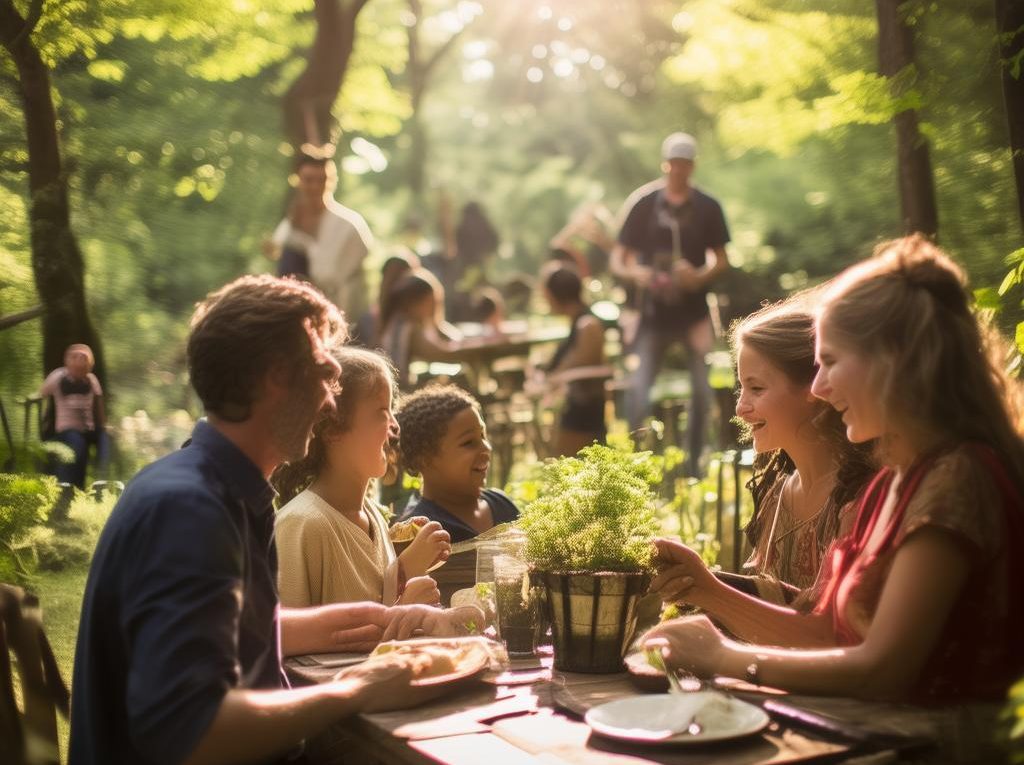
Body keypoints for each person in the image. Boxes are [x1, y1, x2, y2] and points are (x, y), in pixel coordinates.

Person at [69, 275, 479, 765]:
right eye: (325, 372)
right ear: (276, 377)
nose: (331, 401)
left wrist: (370, 620)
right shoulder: (189, 510)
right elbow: (192, 732)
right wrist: (356, 691)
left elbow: (228, 626)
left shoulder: (216, 486)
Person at [644, 236, 1024, 707]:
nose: (819, 388)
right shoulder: (897, 480)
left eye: (831, 363)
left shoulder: (957, 479)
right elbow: (827, 633)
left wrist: (722, 656)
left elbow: (884, 672)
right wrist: (707, 591)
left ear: (892, 363)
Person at [650, 298, 876, 643]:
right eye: (741, 387)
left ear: (816, 388)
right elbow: (764, 614)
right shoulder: (776, 493)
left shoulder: (861, 500)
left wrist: (710, 590)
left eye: (756, 388)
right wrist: (689, 585)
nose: (740, 407)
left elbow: (831, 636)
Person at [272, 346, 451, 608]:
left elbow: (374, 602)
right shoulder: (301, 525)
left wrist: (402, 568)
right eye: (382, 412)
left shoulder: (373, 518)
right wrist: (408, 574)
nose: (395, 425)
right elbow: (285, 640)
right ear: (333, 428)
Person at [612, 132, 731, 475]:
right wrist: (640, 275)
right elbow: (620, 260)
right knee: (639, 389)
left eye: (685, 165)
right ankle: (637, 468)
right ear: (666, 165)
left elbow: (721, 260)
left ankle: (695, 466)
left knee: (701, 390)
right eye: (674, 164)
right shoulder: (644, 204)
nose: (679, 171)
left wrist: (698, 276)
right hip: (652, 315)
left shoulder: (708, 207)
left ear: (692, 166)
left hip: (693, 313)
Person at [396, 384, 520, 543]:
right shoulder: (421, 530)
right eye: (468, 442)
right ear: (425, 459)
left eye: (483, 435)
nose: (486, 447)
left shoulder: (502, 505)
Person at [268, 150, 373, 328]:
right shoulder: (289, 226)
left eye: (321, 180)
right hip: (295, 315)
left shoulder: (349, 225)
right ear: (298, 181)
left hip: (340, 316)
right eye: (309, 180)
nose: (315, 187)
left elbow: (350, 283)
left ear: (330, 181)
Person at [529, 264, 610, 456]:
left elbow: (580, 368)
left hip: (582, 412)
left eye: (546, 295)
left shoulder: (587, 325)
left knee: (562, 464)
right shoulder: (578, 324)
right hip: (572, 406)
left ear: (556, 295)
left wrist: (550, 382)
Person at [377, 269, 468, 390]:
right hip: (397, 390)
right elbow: (441, 353)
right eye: (432, 302)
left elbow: (445, 333)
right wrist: (480, 349)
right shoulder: (407, 329)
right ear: (414, 302)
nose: (434, 308)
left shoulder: (398, 321)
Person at [38, 343, 110, 489]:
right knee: (76, 442)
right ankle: (65, 485)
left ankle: (102, 481)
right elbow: (40, 394)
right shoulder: (58, 376)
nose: (79, 360)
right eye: (75, 357)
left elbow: (99, 407)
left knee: (105, 439)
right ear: (67, 361)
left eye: (83, 357)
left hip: (87, 430)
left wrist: (103, 429)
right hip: (65, 431)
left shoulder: (91, 380)